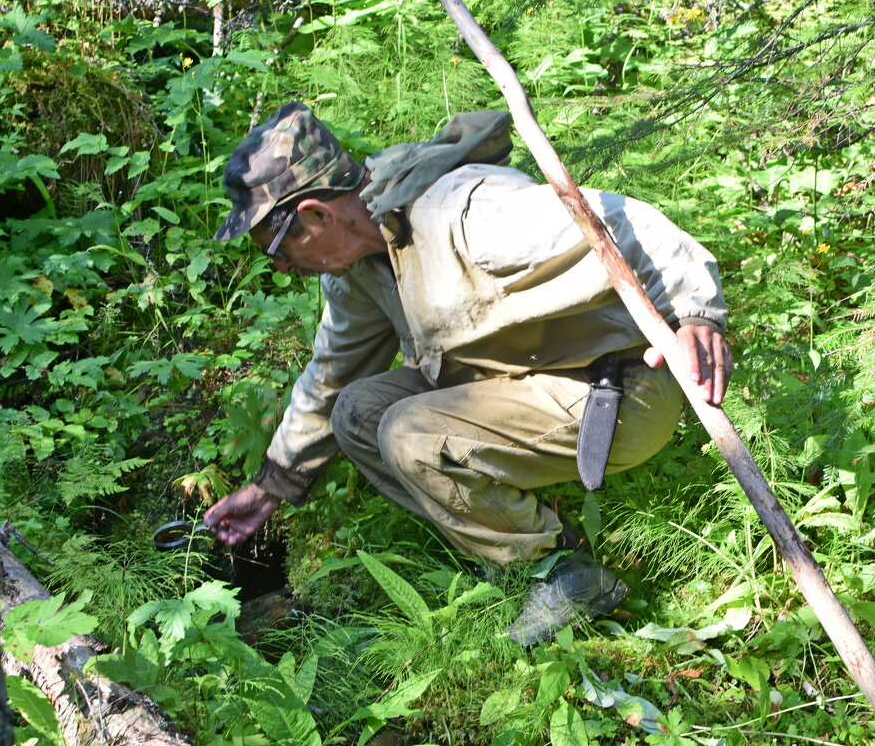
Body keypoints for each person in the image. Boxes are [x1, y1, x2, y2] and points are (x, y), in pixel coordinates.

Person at [203, 102, 732, 645]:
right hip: (516, 384)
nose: (282, 265)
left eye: (273, 245)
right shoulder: (358, 267)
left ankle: (564, 573)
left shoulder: (462, 214)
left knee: (409, 433)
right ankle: (507, 554)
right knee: (358, 414)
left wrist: (695, 313)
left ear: (315, 215)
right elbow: (331, 376)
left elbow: (619, 221)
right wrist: (272, 487)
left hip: (617, 390)